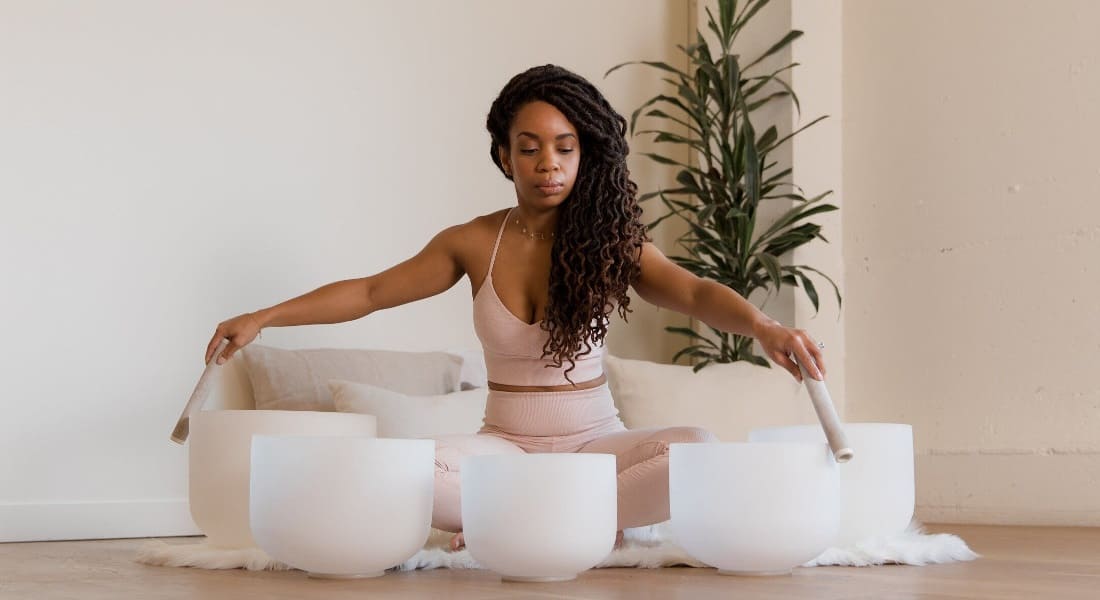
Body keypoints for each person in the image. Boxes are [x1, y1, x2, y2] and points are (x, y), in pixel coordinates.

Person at [205, 64, 826, 551]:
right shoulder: (472, 242)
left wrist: (764, 326)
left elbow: (691, 291)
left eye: (564, 147)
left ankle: (522, 519)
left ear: (586, 154)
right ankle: (554, 519)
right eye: (529, 148)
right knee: (396, 469)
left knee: (696, 450)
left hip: (596, 451)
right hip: (503, 450)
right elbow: (370, 293)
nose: (548, 164)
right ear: (505, 156)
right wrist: (264, 317)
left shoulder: (613, 242)